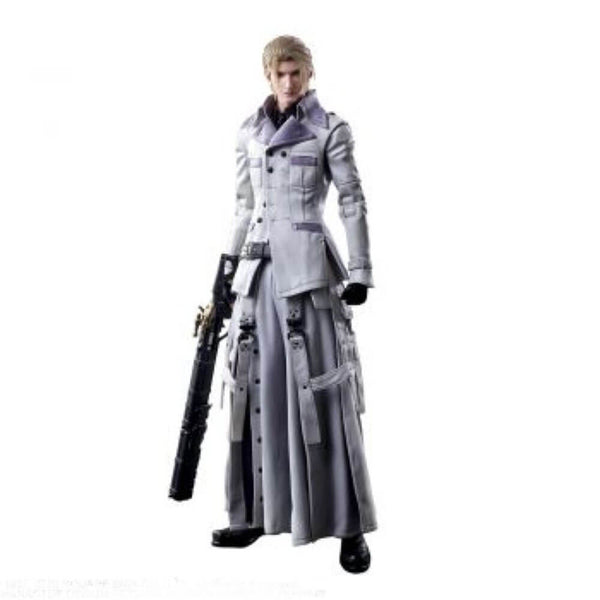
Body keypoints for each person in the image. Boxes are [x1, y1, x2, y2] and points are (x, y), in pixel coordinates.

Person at [214, 35, 377, 574]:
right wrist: (224, 275)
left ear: (309, 74)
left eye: (297, 73)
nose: (288, 82)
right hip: (257, 276)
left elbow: (352, 199)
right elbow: (243, 207)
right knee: (252, 389)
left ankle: (349, 527)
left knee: (324, 395)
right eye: (280, 73)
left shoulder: (330, 129)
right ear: (268, 75)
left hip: (309, 278)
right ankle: (252, 514)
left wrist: (360, 272)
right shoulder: (249, 131)